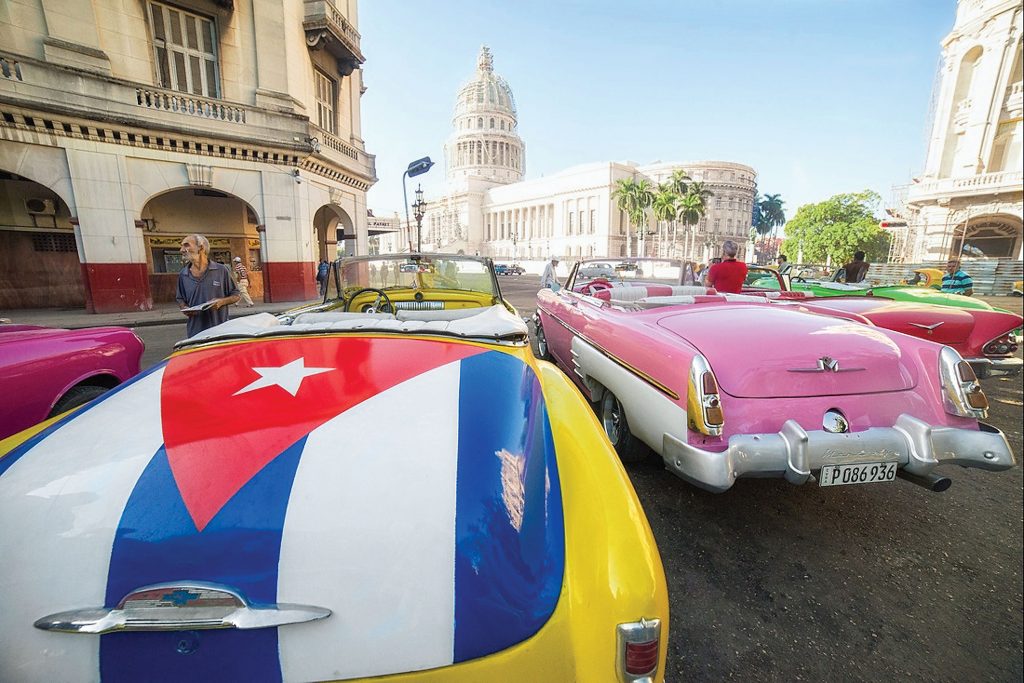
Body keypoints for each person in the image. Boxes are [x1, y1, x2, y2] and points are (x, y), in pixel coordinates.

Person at [176, 234, 240, 338]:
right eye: (182, 246)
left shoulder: (221, 270)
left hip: (219, 330)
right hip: (195, 333)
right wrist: (184, 308)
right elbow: (180, 299)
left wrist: (221, 302)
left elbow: (236, 295)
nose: (182, 250)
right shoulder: (183, 274)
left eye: (186, 245)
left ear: (201, 248)